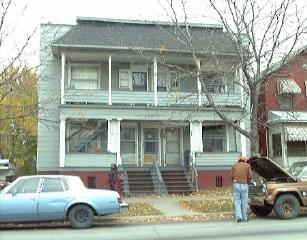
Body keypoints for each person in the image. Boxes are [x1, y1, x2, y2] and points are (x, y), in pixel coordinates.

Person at [230, 156, 253, 223]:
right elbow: (250, 176)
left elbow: (231, 175)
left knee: (237, 201)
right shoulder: (247, 166)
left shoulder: (234, 166)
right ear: (244, 161)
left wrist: (233, 181)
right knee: (244, 202)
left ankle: (238, 217)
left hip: (236, 184)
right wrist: (248, 183)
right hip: (244, 185)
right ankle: (244, 218)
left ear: (239, 160)